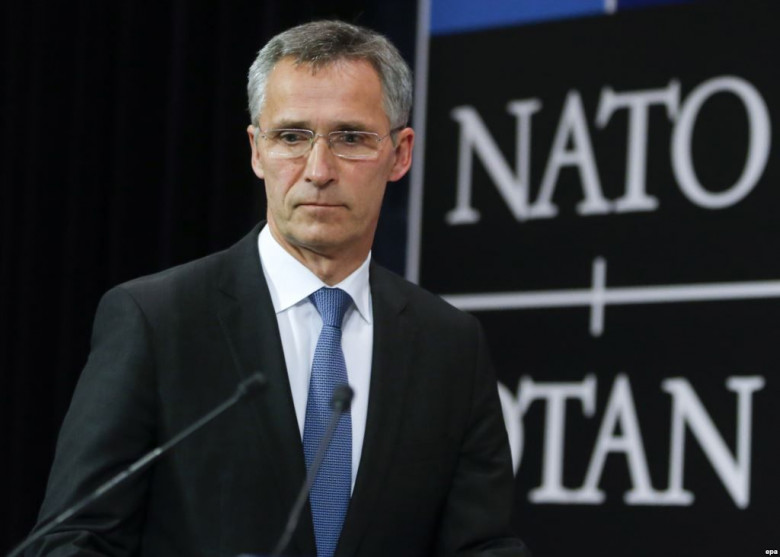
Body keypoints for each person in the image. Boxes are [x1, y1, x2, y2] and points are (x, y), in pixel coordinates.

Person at [27, 20, 529, 557]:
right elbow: (72, 539)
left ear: (400, 153)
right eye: (291, 137)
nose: (319, 170)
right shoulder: (158, 320)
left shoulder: (450, 344)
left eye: (351, 138)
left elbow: (480, 546)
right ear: (256, 150)